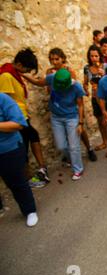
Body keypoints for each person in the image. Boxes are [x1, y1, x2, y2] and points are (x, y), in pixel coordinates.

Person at [24, 68, 86, 180]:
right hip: (56, 117)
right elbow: (38, 82)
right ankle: (71, 159)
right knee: (61, 145)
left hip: (71, 118)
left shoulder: (76, 87)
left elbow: (80, 105)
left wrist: (80, 123)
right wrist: (23, 75)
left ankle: (78, 169)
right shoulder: (52, 78)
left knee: (74, 146)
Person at [0, 48, 49, 188]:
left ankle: (41, 169)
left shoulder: (14, 73)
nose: (26, 71)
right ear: (20, 64)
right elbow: (5, 101)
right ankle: (27, 179)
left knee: (32, 138)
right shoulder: (6, 76)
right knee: (23, 147)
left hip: (22, 116)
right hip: (15, 118)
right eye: (26, 68)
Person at [45, 48, 97, 162]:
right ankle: (69, 154)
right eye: (52, 59)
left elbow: (72, 88)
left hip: (70, 105)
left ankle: (89, 148)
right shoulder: (49, 72)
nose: (54, 62)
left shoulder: (69, 70)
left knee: (80, 129)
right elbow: (48, 90)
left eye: (57, 59)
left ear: (62, 58)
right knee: (63, 132)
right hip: (57, 104)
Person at [0, 93, 39, 227]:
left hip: (8, 149)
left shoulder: (3, 99)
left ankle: (30, 210)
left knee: (17, 182)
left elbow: (18, 124)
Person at [83, 45, 107, 157]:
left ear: (100, 56)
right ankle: (104, 142)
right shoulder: (86, 68)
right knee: (100, 121)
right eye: (92, 56)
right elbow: (85, 82)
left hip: (105, 98)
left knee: (106, 121)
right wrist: (85, 89)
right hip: (94, 98)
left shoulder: (105, 66)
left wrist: (104, 74)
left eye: (96, 56)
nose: (94, 58)